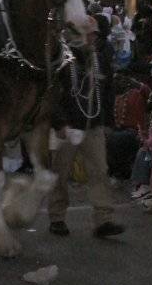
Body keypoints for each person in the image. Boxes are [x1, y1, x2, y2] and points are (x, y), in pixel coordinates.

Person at [48, 16, 124, 238]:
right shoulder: (63, 61)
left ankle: (104, 220)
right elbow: (51, 95)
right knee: (60, 173)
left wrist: (108, 122)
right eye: (90, 34)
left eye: (95, 34)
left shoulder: (100, 60)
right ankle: (57, 217)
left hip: (94, 126)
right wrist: (58, 122)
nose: (94, 38)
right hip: (68, 126)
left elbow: (108, 92)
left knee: (100, 171)